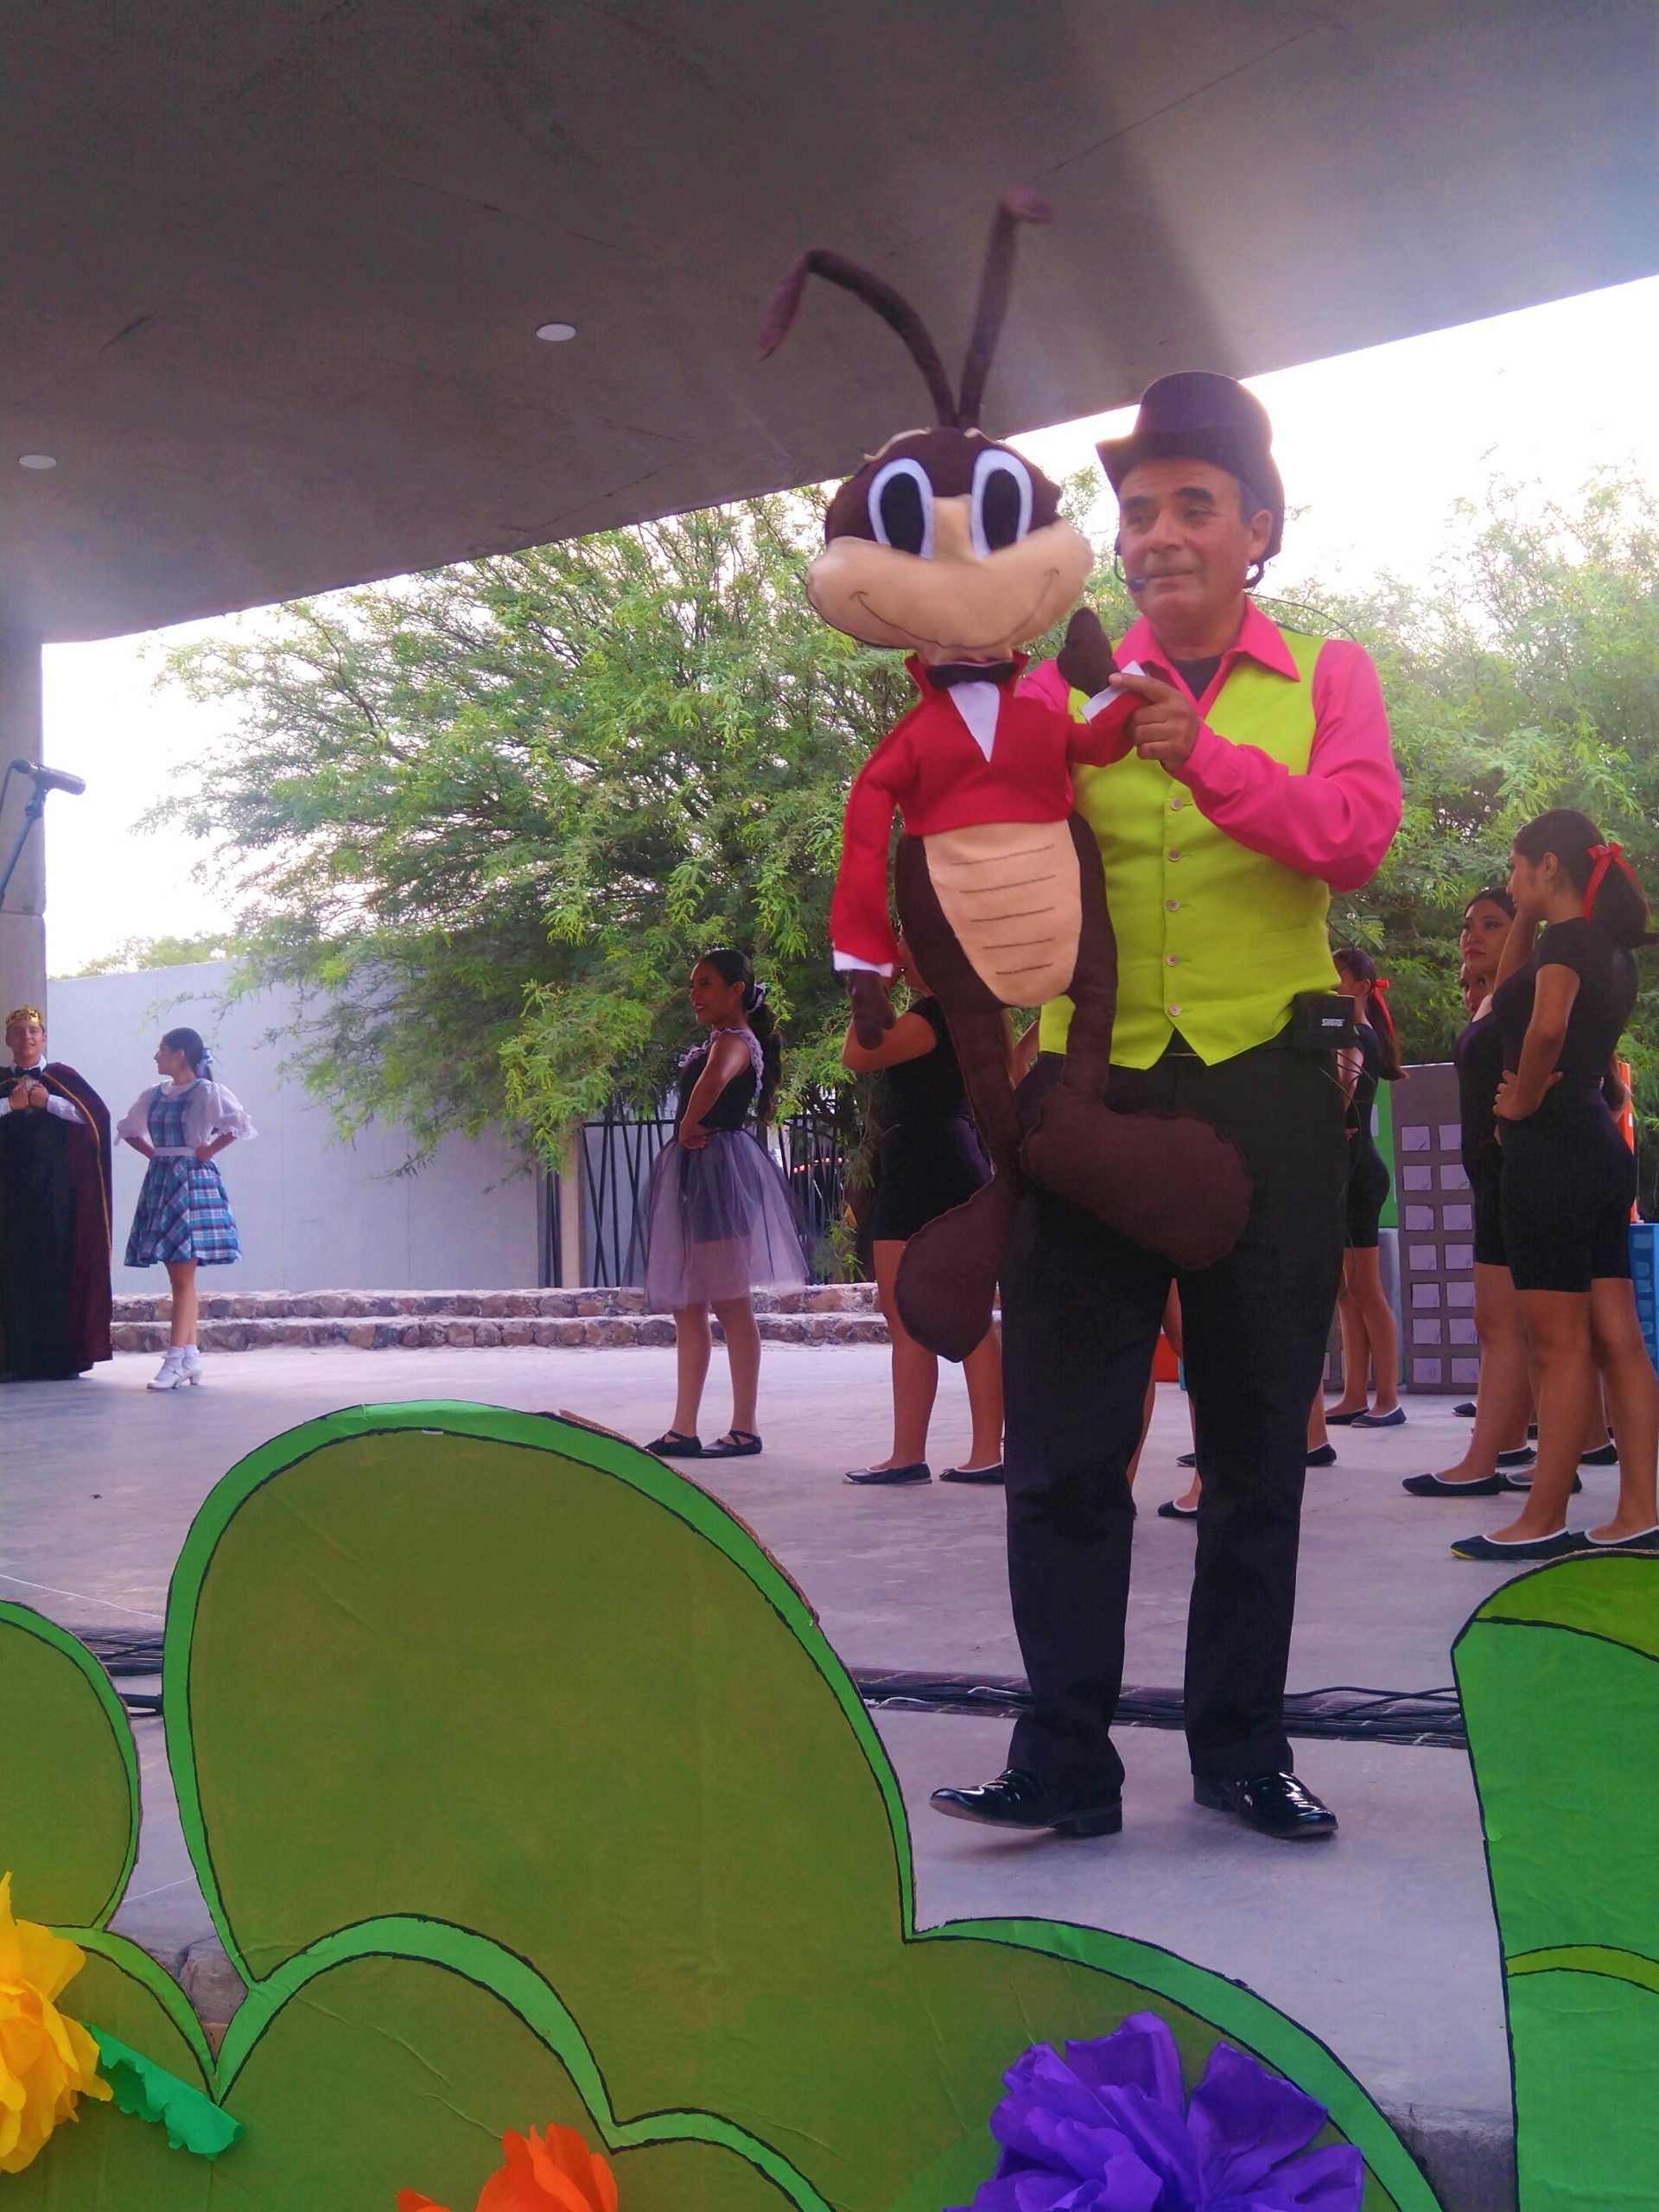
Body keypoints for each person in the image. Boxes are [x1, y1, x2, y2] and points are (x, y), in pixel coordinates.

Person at [931, 371, 1401, 1845]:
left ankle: (1242, 1751)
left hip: (1269, 1087)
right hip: (1094, 1093)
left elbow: (1356, 836)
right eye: (1138, 512)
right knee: (1065, 1442)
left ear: (1257, 528)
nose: (1160, 534)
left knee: (1257, 1443)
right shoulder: (1057, 691)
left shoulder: (1325, 675)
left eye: (1194, 506)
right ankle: (1065, 1757)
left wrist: (1207, 760)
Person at [1452, 812, 1659, 1559]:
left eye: (1516, 868)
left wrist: (1520, 1098)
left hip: (1553, 1148)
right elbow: (1509, 996)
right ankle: (1639, 1510)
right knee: (1618, 1339)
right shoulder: (1606, 949)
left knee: (1559, 1344)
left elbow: (1544, 1028)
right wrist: (1527, 918)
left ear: (1548, 865)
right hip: (1599, 1146)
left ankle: (1540, 1519)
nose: (1510, 883)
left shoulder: (1570, 943)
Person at [839, 938, 1004, 1486]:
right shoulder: (961, 1014)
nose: (899, 949)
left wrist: (872, 992)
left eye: (908, 938)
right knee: (921, 1310)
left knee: (938, 1309)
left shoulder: (934, 1017)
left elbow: (856, 1053)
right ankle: (927, 1452)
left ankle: (960, 1452)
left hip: (929, 1159)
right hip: (930, 1156)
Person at [632, 949, 807, 1459]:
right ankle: (682, 1427)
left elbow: (713, 1081)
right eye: (693, 985)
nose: (695, 994)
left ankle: (744, 1428)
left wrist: (689, 1123)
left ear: (736, 990)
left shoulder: (734, 1042)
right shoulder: (718, 1040)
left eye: (705, 984)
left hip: (719, 1178)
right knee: (688, 1306)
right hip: (698, 1177)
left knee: (731, 1302)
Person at [1404, 920, 1536, 1500]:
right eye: (1466, 926)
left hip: (1513, 1171)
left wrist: (1517, 1116)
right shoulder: (1497, 1000)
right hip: (1491, 1175)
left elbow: (1554, 1055)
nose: (1471, 936)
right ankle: (1512, 1444)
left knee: (1519, 1326)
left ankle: (1486, 1460)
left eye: (1491, 924)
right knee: (1510, 1325)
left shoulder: (1527, 991)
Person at [117, 1028, 255, 1390]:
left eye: (161, 1050)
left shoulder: (206, 1092)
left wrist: (206, 1151)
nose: (156, 1056)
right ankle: (189, 1357)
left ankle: (176, 1358)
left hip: (192, 1182)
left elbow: (238, 1124)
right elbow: (129, 1129)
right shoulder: (154, 1094)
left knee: (182, 1277)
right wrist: (157, 1155)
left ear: (180, 1054)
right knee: (179, 1276)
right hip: (164, 1181)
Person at [0, 1005, 113, 1380]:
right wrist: (10, 1105)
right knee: (12, 1270)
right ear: (8, 1040)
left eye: (33, 1031)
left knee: (57, 1267)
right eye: (18, 1031)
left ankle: (60, 1359)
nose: (26, 1037)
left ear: (44, 1037)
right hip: (8, 1193)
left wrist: (47, 1101)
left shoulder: (63, 1078)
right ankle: (14, 1360)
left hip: (57, 1194)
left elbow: (94, 1118)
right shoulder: (2, 1081)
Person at [1322, 946, 1405, 1427]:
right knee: (1347, 1292)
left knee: (1366, 1290)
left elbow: (1342, 1090)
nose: (1331, 982)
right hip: (1348, 1169)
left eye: (1338, 975)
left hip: (1359, 1172)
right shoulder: (1353, 1033)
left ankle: (1388, 1398)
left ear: (1362, 987)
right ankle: (1355, 1394)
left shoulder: (1354, 1035)